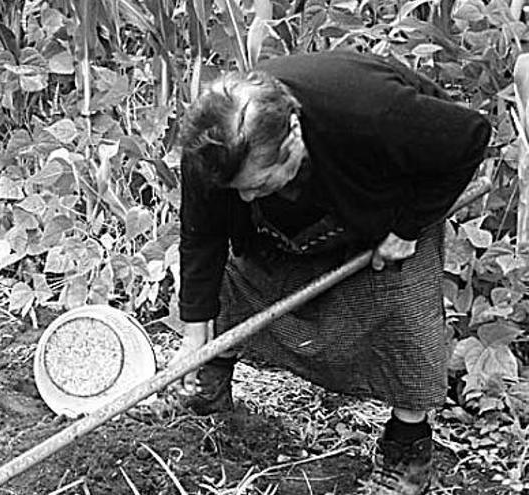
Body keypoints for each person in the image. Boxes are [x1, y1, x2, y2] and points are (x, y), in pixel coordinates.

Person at [174, 50, 491, 495]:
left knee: (404, 308)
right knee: (237, 278)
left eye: (261, 184)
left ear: (294, 136)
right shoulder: (212, 149)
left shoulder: (370, 111)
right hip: (294, 222)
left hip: (386, 199)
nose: (247, 199)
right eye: (239, 190)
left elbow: (471, 135)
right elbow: (201, 236)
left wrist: (407, 226)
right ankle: (208, 393)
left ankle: (407, 452)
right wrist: (194, 335)